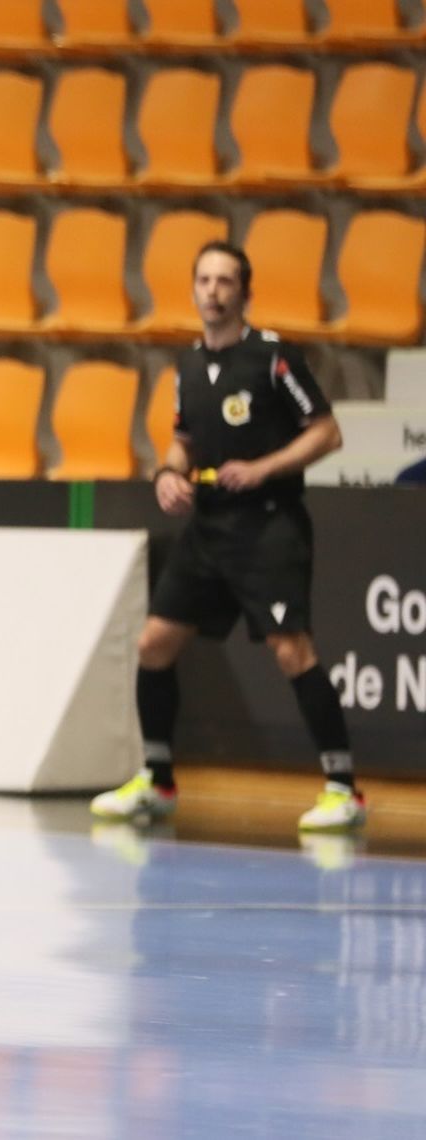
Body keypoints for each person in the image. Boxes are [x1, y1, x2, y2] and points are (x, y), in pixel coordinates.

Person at [91, 240, 362, 834]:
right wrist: (168, 474)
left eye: (225, 281)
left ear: (245, 292)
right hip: (208, 527)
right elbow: (183, 439)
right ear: (193, 289)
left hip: (268, 525)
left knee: (292, 651)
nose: (213, 292)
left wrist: (263, 468)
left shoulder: (273, 358)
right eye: (205, 280)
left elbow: (327, 432)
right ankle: (158, 782)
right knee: (153, 644)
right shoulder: (188, 365)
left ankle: (343, 789)